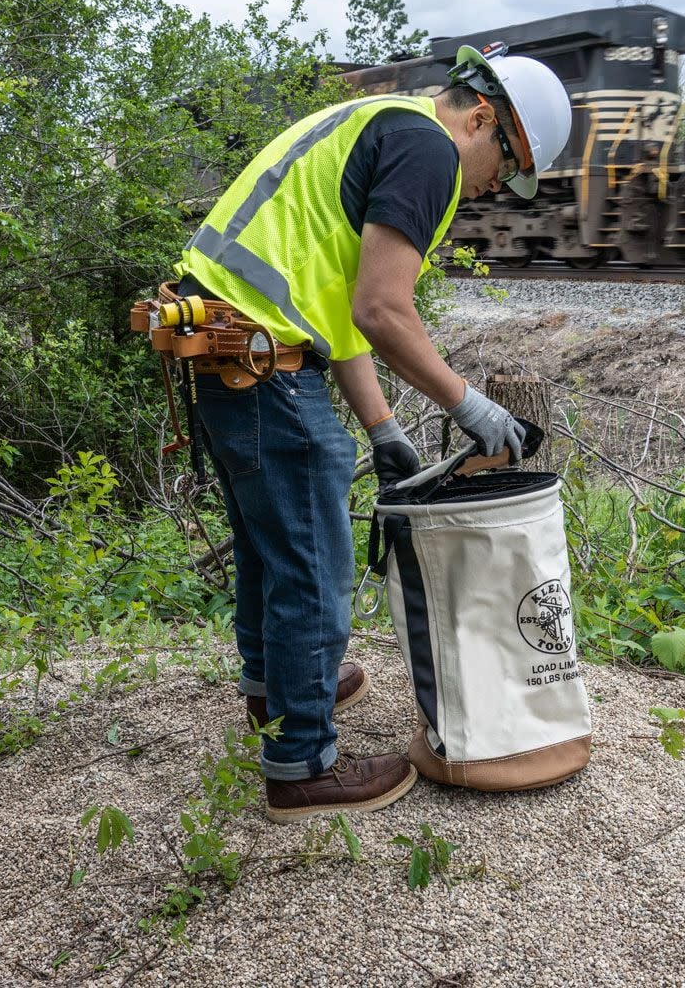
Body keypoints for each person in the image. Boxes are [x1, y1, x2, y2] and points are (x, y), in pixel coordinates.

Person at [172, 42, 572, 823]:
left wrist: (383, 427)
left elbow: (336, 305)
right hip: (262, 361)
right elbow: (382, 311)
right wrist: (472, 406)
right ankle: (303, 767)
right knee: (315, 561)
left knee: (269, 545)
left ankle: (275, 696)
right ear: (482, 117)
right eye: (507, 165)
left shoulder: (379, 122)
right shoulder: (430, 153)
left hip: (228, 345)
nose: (497, 187)